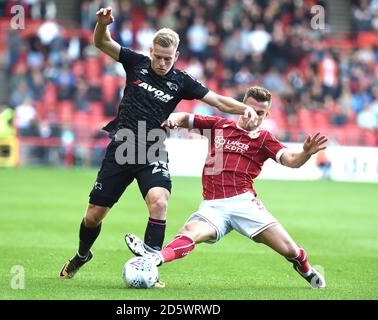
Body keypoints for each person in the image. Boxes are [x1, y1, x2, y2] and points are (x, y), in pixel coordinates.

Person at [59, 6, 258, 285]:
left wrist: (243, 108)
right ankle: (82, 255)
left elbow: (217, 100)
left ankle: (150, 266)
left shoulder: (181, 81)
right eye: (158, 57)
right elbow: (101, 42)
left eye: (168, 59)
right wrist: (103, 24)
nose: (162, 63)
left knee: (159, 201)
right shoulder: (135, 62)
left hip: (152, 147)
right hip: (123, 145)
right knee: (93, 216)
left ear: (176, 57)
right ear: (151, 51)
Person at [125, 86, 328, 289]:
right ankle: (154, 259)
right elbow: (185, 118)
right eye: (250, 109)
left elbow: (291, 161)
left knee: (291, 251)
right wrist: (174, 119)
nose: (253, 116)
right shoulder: (219, 126)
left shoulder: (264, 139)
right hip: (213, 206)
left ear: (266, 115)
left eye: (260, 113)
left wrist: (306, 153)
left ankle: (308, 271)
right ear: (241, 107)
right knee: (190, 232)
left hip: (244, 204)